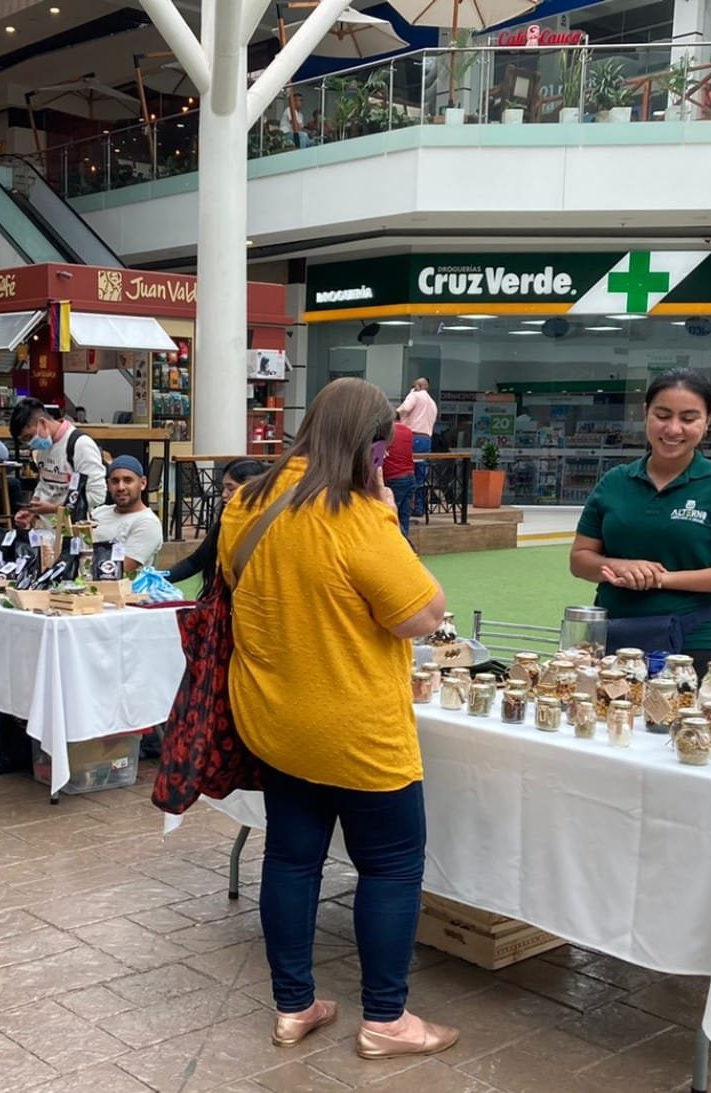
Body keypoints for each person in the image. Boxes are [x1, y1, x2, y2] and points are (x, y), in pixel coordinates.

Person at [219, 377, 456, 1062]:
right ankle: (386, 1017)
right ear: (372, 445)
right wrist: (385, 512)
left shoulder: (249, 499)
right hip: (356, 729)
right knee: (390, 865)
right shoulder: (356, 514)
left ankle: (294, 1005)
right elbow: (423, 614)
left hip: (275, 718)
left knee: (292, 859)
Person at [570, 368, 711, 666]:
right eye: (662, 415)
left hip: (694, 642)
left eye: (688, 419)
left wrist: (659, 579)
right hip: (612, 638)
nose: (673, 429)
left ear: (708, 420)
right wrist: (619, 566)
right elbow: (580, 559)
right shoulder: (615, 481)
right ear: (646, 413)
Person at [165, 459, 265, 593]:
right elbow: (195, 561)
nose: (224, 494)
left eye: (231, 488)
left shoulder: (268, 527)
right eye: (223, 488)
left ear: (253, 487)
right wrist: (159, 578)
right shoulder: (224, 524)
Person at [8, 396, 106, 527]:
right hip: (48, 531)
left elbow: (97, 495)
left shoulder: (80, 445)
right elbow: (45, 484)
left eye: (29, 437)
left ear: (43, 423)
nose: (30, 443)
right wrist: (32, 509)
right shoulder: (43, 447)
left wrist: (55, 509)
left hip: (76, 530)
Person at [90, 456, 163, 575]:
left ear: (143, 483)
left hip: (123, 590)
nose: (120, 487)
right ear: (108, 485)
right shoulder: (99, 512)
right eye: (115, 481)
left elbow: (119, 569)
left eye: (128, 480)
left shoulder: (148, 523)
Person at [397, 379, 438, 512]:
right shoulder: (432, 403)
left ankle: (406, 506)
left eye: (413, 385)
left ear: (418, 386)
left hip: (412, 436)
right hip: (426, 438)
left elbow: (405, 408)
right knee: (420, 474)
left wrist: (393, 414)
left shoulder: (415, 395)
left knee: (405, 471)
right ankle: (419, 507)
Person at [382, 413, 417, 539]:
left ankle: (400, 543)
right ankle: (405, 546)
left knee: (392, 514)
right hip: (410, 476)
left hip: (394, 477)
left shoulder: (387, 432)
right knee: (404, 515)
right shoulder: (408, 431)